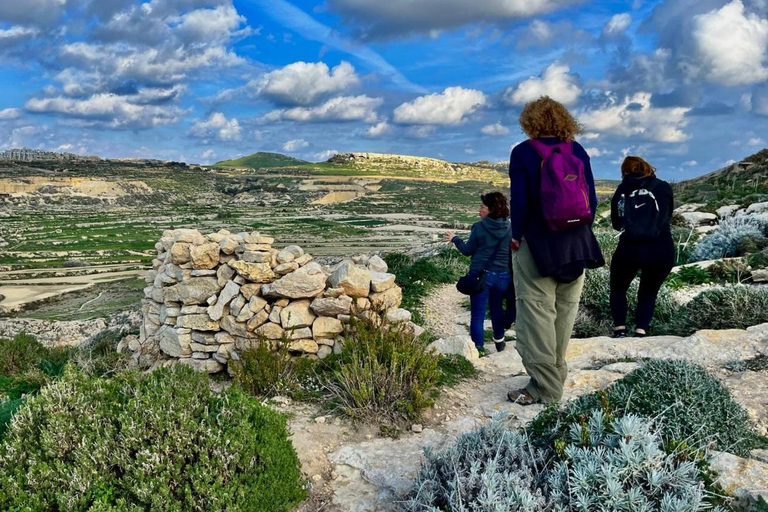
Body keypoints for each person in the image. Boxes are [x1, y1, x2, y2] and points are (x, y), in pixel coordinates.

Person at [507, 96, 604, 405]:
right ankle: (554, 376)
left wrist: (516, 236)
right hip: (577, 242)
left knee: (536, 314)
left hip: (539, 242)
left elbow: (520, 203)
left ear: (529, 123)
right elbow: (592, 199)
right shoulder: (577, 150)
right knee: (564, 313)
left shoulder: (523, 153)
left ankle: (545, 389)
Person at [609, 156, 674, 338]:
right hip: (661, 247)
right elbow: (667, 215)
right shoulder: (663, 187)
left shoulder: (622, 189)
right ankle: (641, 330)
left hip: (629, 248)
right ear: (647, 168)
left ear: (625, 171)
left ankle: (620, 328)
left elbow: (616, 222)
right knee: (648, 291)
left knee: (618, 288)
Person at [444, 192, 511, 354]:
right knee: (496, 310)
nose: (479, 210)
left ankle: (478, 350)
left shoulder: (479, 227)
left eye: (482, 207)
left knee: (478, 315)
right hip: (503, 275)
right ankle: (499, 342)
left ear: (491, 210)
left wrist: (455, 239)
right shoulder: (510, 227)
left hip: (481, 275)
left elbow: (467, 251)